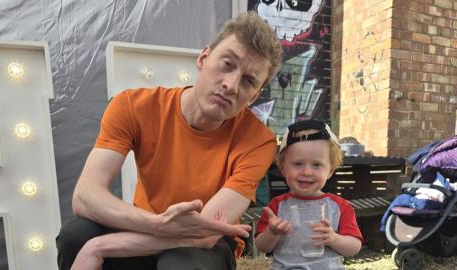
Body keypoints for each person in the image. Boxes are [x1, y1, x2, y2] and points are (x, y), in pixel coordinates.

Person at [56, 11, 283, 270]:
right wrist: (157, 224)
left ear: (254, 96)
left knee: (181, 264)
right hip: (146, 223)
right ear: (203, 57)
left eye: (248, 80)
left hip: (207, 246)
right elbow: (85, 197)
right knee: (76, 235)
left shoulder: (259, 141)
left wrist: (100, 246)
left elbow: (206, 234)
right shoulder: (133, 105)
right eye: (227, 64)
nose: (231, 85)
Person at [255, 120, 363, 270]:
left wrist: (334, 239)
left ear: (330, 171)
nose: (306, 172)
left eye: (317, 165)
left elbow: (354, 247)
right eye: (298, 164)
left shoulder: (340, 206)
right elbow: (262, 246)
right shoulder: (277, 205)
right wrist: (272, 232)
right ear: (283, 168)